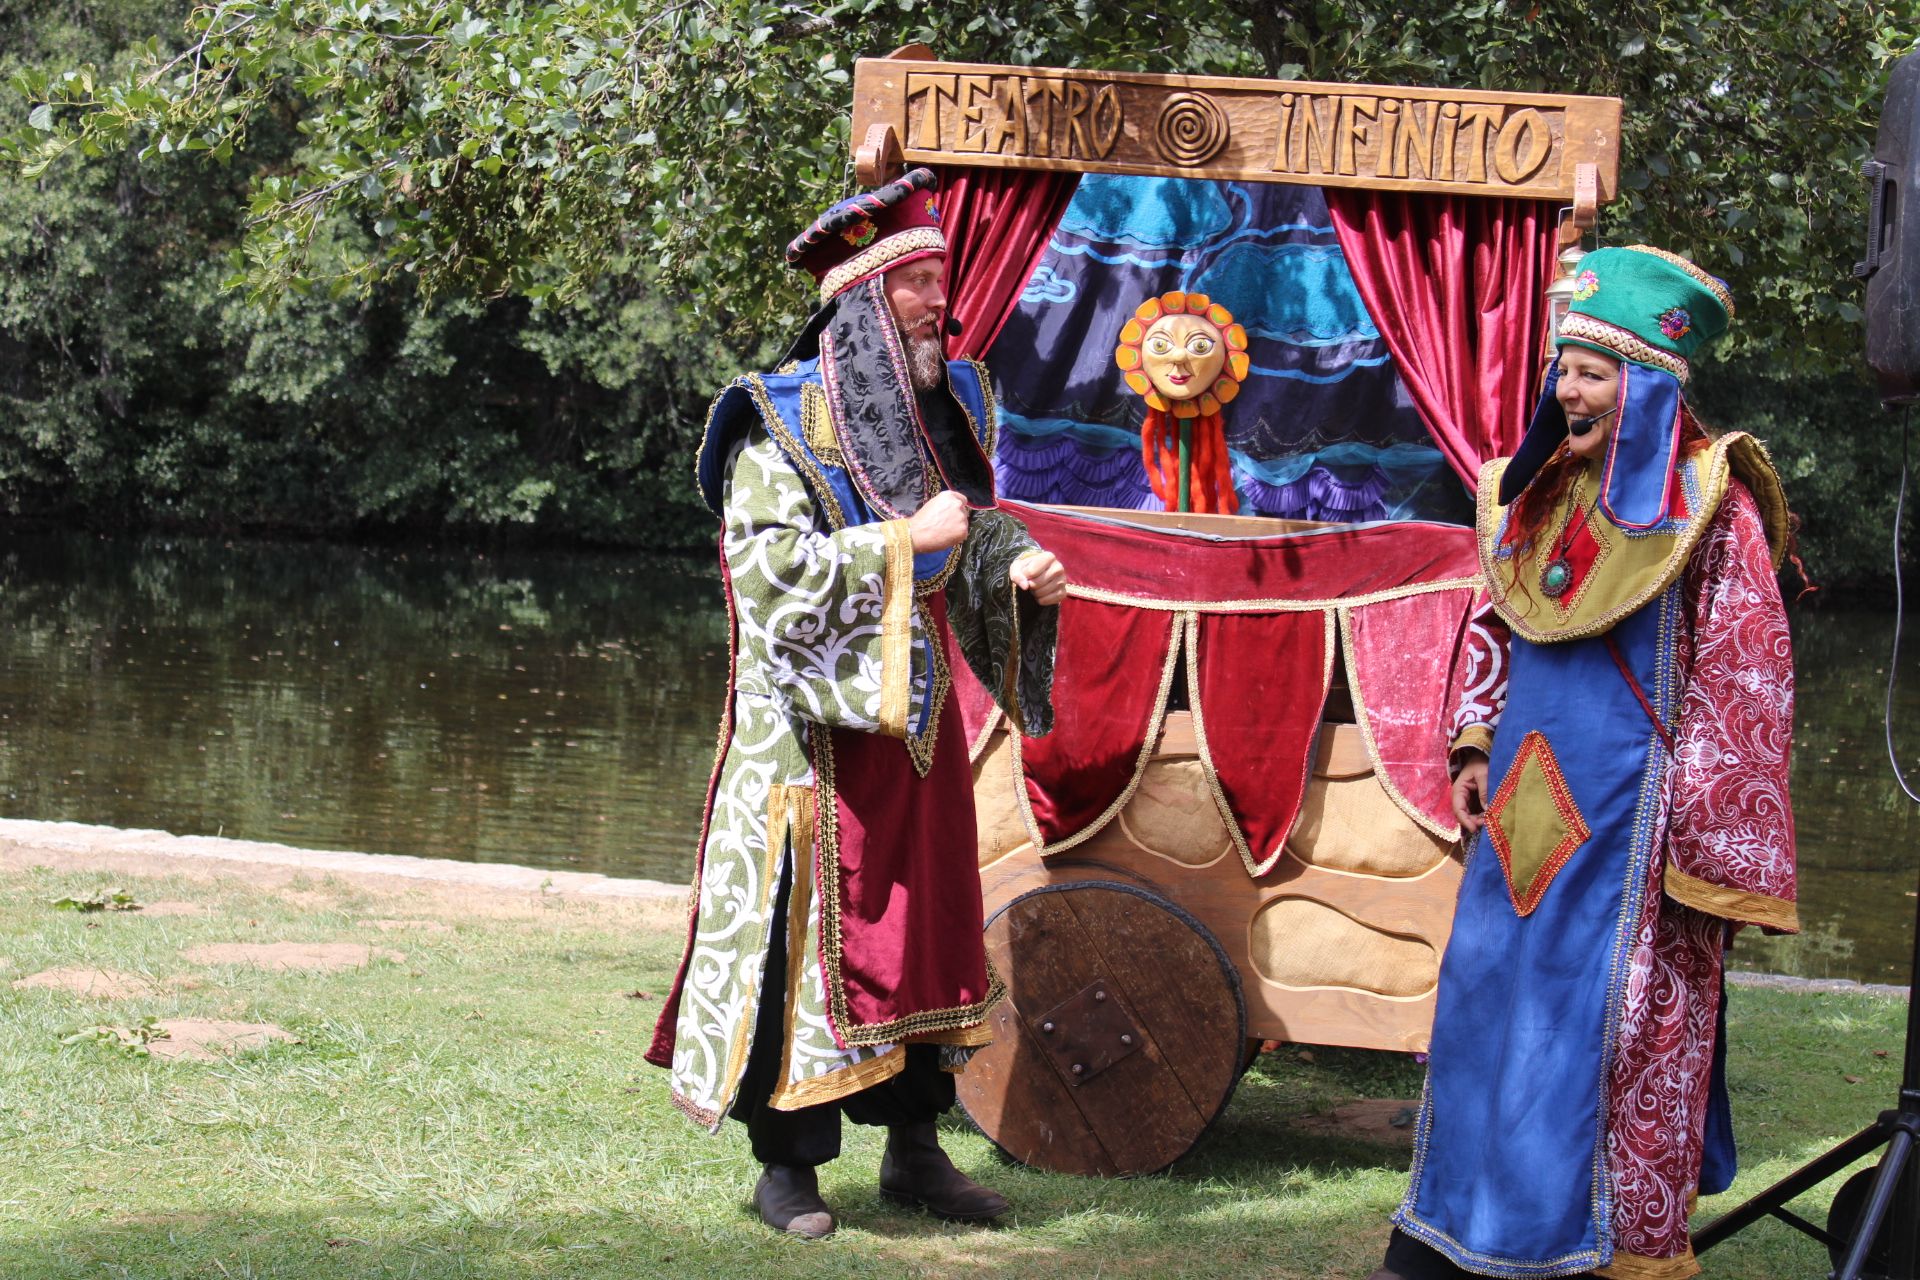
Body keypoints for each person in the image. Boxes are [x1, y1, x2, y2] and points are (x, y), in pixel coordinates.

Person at [644, 167, 1066, 1240]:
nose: (940, 301)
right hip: (813, 742)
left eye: (940, 279)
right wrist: (901, 546)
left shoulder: (948, 408)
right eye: (917, 284)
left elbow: (970, 528)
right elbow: (769, 579)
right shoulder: (772, 419)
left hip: (920, 731)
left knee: (924, 939)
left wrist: (1012, 567)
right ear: (860, 303)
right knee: (806, 947)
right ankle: (785, 1168)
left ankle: (916, 1154)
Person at [1371, 245, 1799, 1280]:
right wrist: (1473, 734)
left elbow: (1746, 680)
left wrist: (1703, 845)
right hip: (1524, 803)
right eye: (1563, 366)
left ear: (1649, 380)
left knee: (1593, 1024)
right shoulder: (1540, 494)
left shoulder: (1714, 502)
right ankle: (1455, 1231)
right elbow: (1493, 613)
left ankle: (1581, 1246)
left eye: (1592, 371)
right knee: (1484, 1002)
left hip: (1634, 823)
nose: (1566, 388)